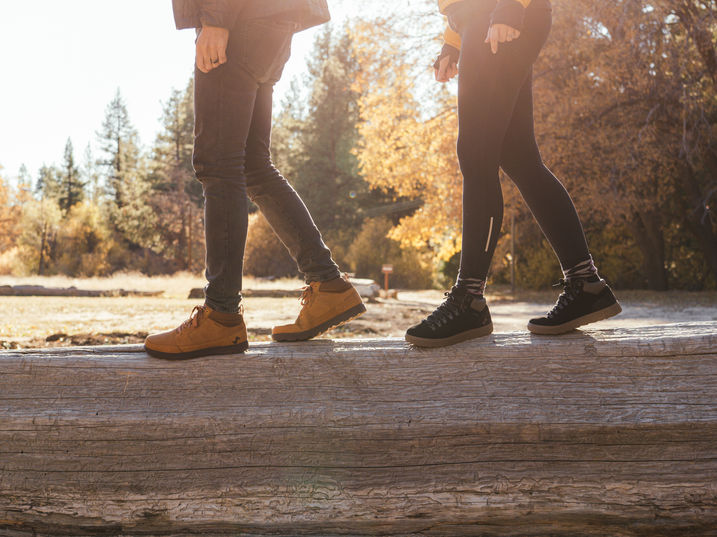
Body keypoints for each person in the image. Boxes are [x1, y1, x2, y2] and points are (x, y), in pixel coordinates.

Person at [145, 0, 366, 359]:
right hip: (270, 19)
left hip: (239, 18)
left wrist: (215, 18)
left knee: (218, 163)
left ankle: (221, 314)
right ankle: (328, 286)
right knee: (251, 165)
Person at [405, 0, 621, 348]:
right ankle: (587, 285)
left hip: (496, 13)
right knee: (519, 157)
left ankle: (469, 299)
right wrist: (453, 40)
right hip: (479, 20)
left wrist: (508, 7)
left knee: (476, 154)